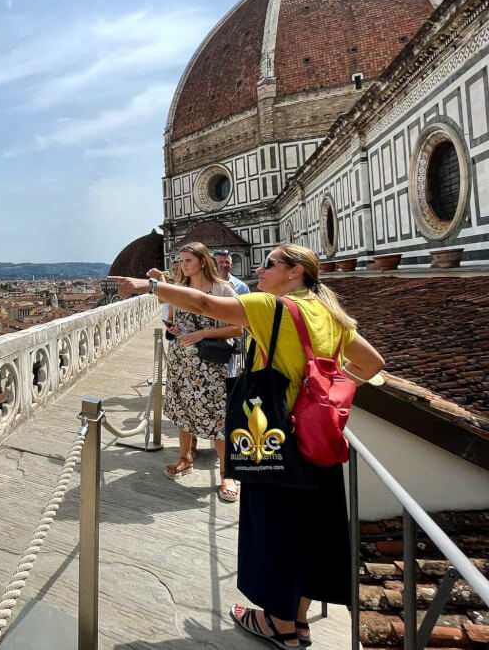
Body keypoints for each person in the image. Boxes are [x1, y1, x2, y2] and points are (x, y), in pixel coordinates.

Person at [110, 244, 385, 649]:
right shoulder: (330, 314)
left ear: (295, 273)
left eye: (269, 263)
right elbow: (372, 363)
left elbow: (205, 302)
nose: (259, 268)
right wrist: (326, 393)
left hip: (272, 440)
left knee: (273, 531)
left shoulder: (273, 308)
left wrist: (149, 286)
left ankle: (278, 625)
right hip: (320, 442)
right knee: (310, 534)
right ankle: (299, 620)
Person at [157, 243, 241, 502]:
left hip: (210, 364)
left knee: (218, 418)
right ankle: (185, 458)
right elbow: (173, 321)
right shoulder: (179, 290)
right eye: (181, 261)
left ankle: (227, 473)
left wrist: (202, 333)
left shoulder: (223, 290)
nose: (183, 265)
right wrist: (174, 330)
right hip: (182, 361)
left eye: (188, 260)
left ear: (203, 261)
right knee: (183, 410)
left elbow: (238, 328)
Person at [214, 249, 250, 377]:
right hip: (210, 335)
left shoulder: (241, 287)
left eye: (227, 262)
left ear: (232, 264)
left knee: (230, 372)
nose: (224, 265)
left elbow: (247, 312)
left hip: (232, 336)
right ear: (214, 264)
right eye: (221, 262)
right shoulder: (207, 284)